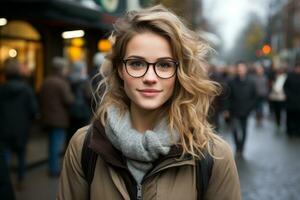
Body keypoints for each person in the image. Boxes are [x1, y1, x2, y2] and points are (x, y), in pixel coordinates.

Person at [57, 5, 241, 200]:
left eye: (164, 65)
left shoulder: (214, 156)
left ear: (179, 73)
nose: (150, 77)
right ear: (120, 69)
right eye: (137, 63)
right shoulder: (84, 146)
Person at [0, 58, 38, 190]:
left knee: (5, 156)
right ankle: (21, 180)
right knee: (21, 155)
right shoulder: (26, 90)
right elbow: (34, 110)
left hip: (3, 129)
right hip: (22, 129)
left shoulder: (2, 90)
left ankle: (6, 181)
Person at [39, 57, 74, 177]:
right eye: (65, 68)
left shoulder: (46, 81)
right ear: (61, 69)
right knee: (56, 145)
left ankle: (52, 167)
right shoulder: (62, 83)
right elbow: (69, 100)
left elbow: (40, 97)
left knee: (51, 144)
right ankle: (54, 169)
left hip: (47, 117)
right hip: (59, 119)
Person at [224, 61, 257, 157]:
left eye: (242, 69)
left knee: (244, 130)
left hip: (246, 111)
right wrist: (226, 109)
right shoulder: (231, 81)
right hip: (234, 110)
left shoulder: (251, 82)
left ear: (246, 70)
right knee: (234, 129)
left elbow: (254, 96)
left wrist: (250, 108)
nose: (240, 71)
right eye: (239, 69)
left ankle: (242, 147)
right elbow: (227, 96)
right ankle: (237, 146)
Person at [67, 61, 92, 145]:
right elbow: (89, 95)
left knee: (71, 133)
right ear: (81, 69)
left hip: (71, 110)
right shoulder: (84, 80)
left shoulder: (69, 79)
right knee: (82, 134)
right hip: (83, 110)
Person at [284, 62, 300, 137]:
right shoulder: (290, 76)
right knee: (290, 117)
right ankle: (290, 131)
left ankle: (297, 131)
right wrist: (289, 95)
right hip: (290, 101)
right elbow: (285, 87)